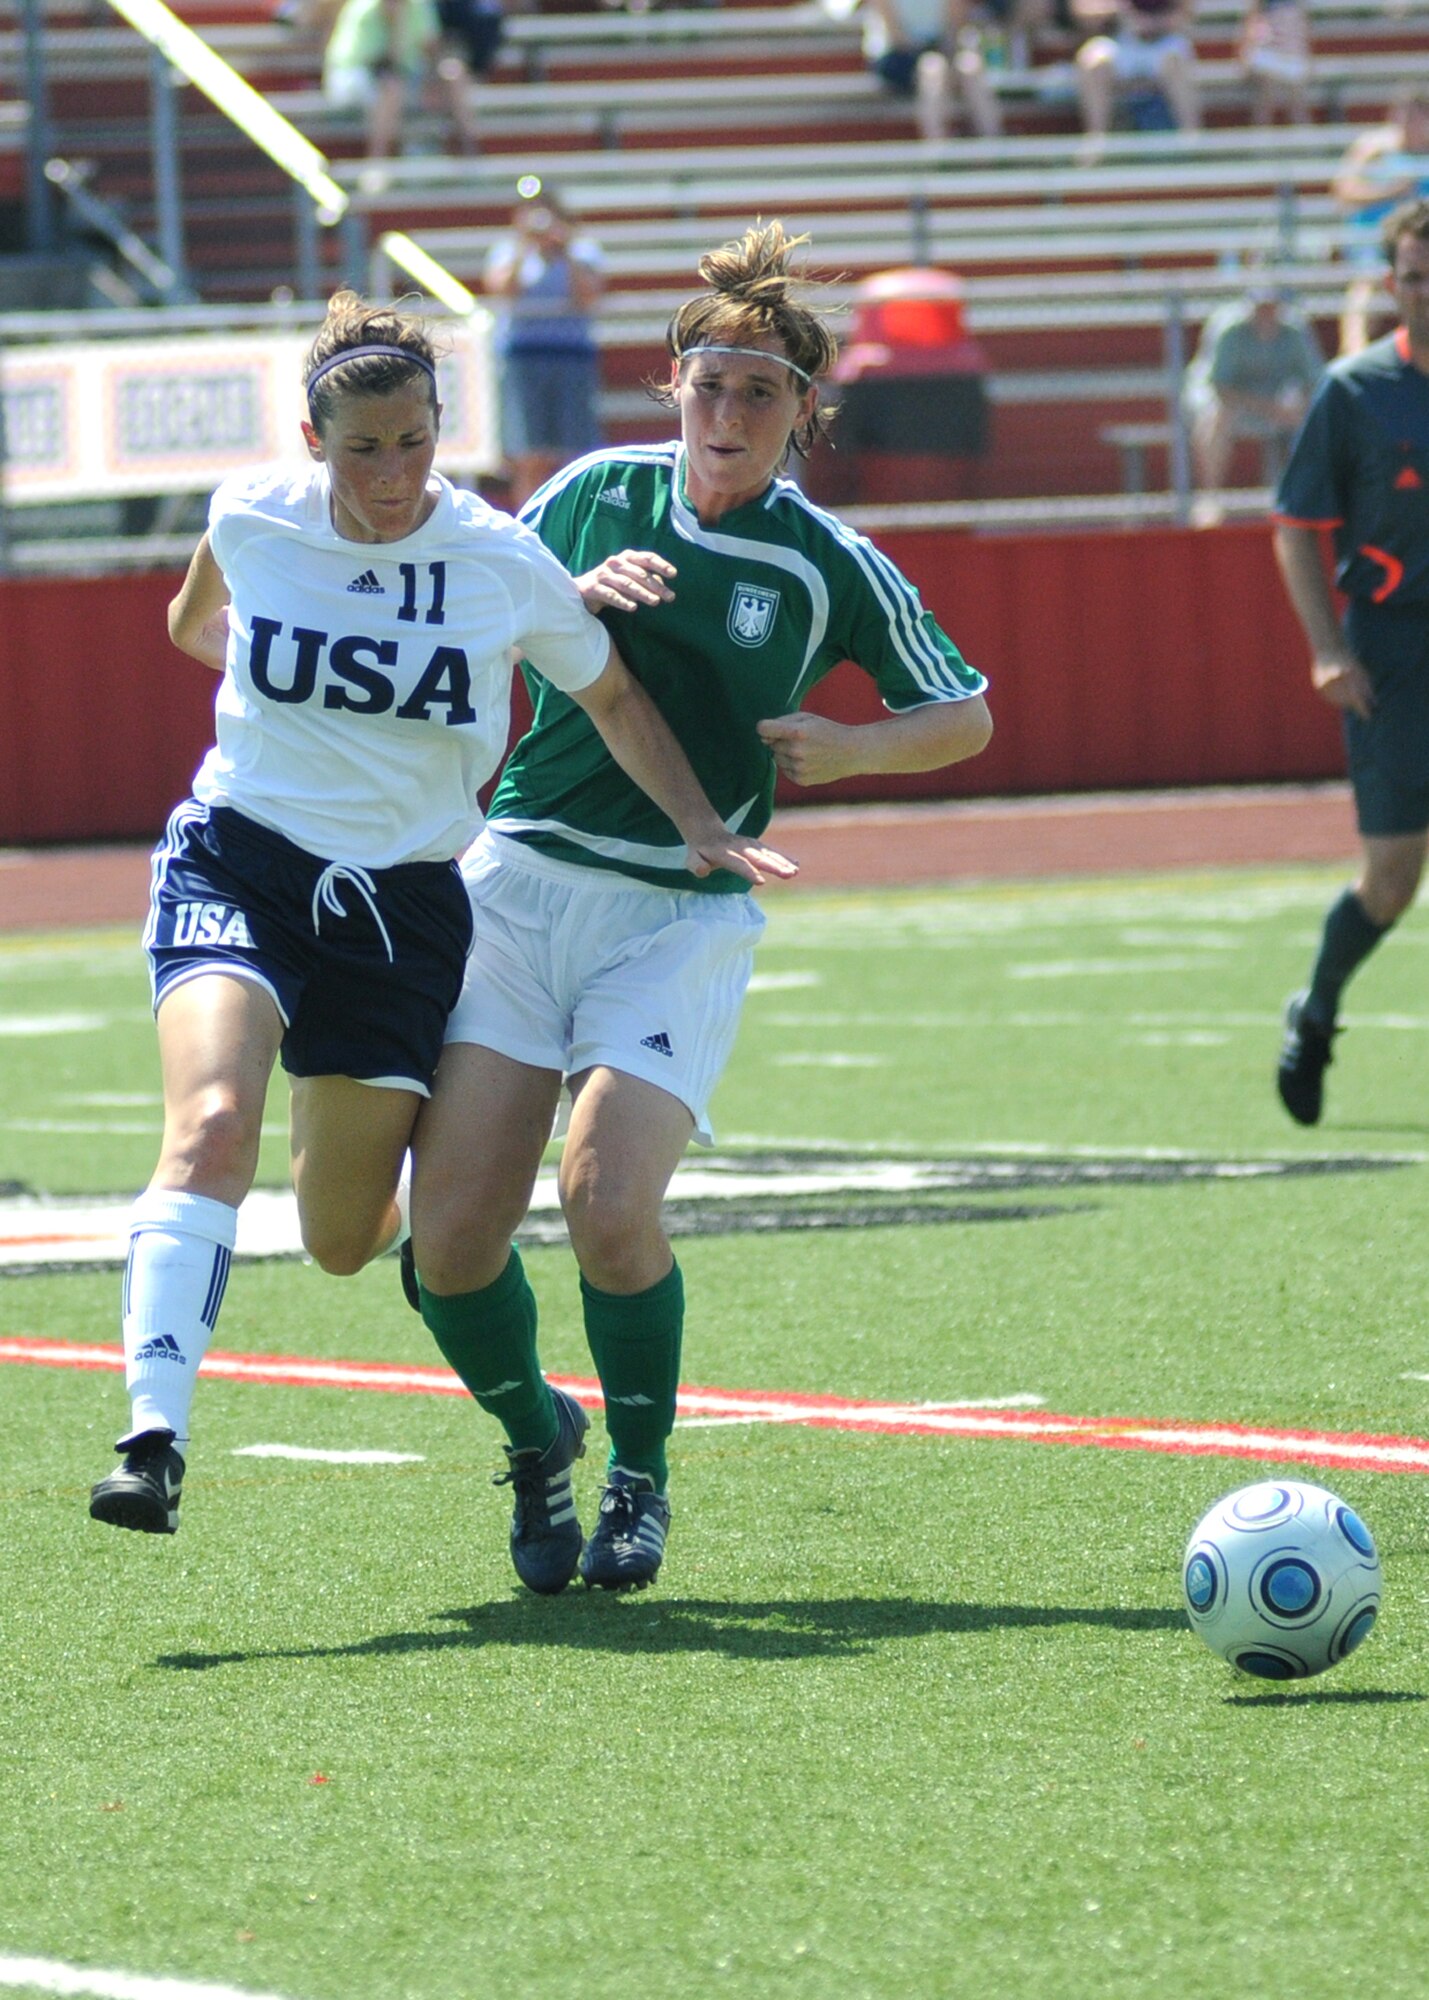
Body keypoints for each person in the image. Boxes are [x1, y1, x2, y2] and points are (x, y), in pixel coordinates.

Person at [88, 290, 791, 1537]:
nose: (392, 472)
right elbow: (197, 621)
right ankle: (154, 1436)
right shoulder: (250, 513)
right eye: (362, 448)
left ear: (439, 427)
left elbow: (617, 698)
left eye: (413, 441)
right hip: (239, 860)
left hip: (403, 908)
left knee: (346, 1239)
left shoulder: (497, 559)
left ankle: (542, 1421)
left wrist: (696, 823)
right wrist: (283, 683)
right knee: (208, 1122)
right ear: (313, 440)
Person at [404, 221, 993, 1597]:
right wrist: (560, 603)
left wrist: (853, 749)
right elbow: (463, 624)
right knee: (449, 1246)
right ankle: (534, 1439)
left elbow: (962, 713)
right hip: (519, 888)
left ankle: (639, 1482)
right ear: (671, 384)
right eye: (708, 381)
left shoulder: (828, 560)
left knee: (608, 1203)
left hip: (679, 910)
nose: (728, 411)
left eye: (761, 391)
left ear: (804, 414)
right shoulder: (583, 495)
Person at [1272, 198, 1429, 1126]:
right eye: (1411, 276)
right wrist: (1326, 650)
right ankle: (1318, 1009)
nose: (1424, 292)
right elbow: (1296, 530)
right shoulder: (1354, 390)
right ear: (1391, 284)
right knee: (1391, 875)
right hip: (1391, 647)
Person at [484, 184, 606, 511]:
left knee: (574, 448)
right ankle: (529, 519)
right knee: (529, 453)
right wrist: (526, 246)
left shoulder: (583, 253)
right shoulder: (509, 253)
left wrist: (562, 250)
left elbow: (588, 297)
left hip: (571, 357)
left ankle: (576, 516)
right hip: (524, 359)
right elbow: (502, 291)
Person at [1182, 279, 1324, 514]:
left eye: (1271, 305)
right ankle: (1209, 499)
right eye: (1261, 306)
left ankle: (1310, 494)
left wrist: (1295, 405)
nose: (1266, 312)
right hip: (1226, 399)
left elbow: (1313, 381)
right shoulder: (1229, 329)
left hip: (1272, 400)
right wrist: (1270, 408)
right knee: (1214, 417)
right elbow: (1221, 390)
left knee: (1316, 416)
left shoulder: (1295, 328)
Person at [1333, 91, 1429, 355]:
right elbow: (1344, 191)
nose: (1408, 123)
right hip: (1374, 239)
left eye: (1416, 116)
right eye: (1403, 115)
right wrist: (1392, 192)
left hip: (1422, 243)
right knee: (1366, 284)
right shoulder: (1374, 151)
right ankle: (1354, 353)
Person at [322, 0, 479, 158]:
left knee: (453, 72)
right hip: (353, 77)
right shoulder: (365, 8)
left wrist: (432, 80)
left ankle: (471, 150)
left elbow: (431, 50)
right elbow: (387, 63)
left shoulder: (418, 6)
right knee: (391, 87)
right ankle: (377, 163)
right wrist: (395, 24)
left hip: (404, 77)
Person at [859, 0, 1004, 142]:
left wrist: (946, 53)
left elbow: (954, 30)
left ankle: (993, 141)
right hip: (896, 57)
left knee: (970, 65)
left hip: (938, 52)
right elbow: (897, 37)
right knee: (933, 69)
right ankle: (937, 147)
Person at [1074, 0, 1201, 155]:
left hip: (1162, 43)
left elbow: (1185, 14)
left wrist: (1152, 23)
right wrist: (1117, 10)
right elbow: (1083, 12)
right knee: (1094, 60)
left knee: (1175, 60)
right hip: (1118, 42)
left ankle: (1191, 137)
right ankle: (1097, 139)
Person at [1238, 0, 1311, 128]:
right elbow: (1252, 17)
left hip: (1290, 46)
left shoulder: (1294, 13)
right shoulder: (1263, 12)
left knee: (1297, 98)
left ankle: (1304, 139)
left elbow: (1301, 30)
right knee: (1267, 92)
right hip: (1268, 45)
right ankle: (1260, 141)